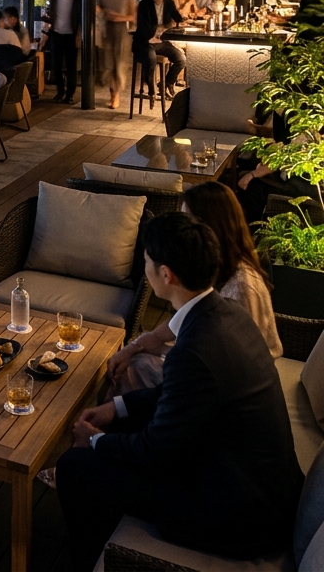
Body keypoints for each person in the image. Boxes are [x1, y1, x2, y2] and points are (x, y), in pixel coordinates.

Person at [56, 212, 303, 571]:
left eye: (146, 263)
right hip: (254, 484)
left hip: (233, 517)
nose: (145, 269)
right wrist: (117, 408)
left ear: (166, 275)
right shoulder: (227, 313)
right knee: (119, 430)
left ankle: (90, 561)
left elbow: (156, 451)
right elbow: (180, 397)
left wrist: (95, 439)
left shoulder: (196, 349)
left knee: (73, 465)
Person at [106, 183, 282, 394]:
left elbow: (232, 359)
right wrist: (139, 345)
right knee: (133, 357)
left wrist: (158, 350)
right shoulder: (211, 269)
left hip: (234, 383)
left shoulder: (241, 286)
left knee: (133, 369)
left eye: (186, 220)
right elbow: (184, 319)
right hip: (209, 360)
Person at [132, 0, 184, 101]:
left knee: (181, 59)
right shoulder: (144, 4)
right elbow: (142, 26)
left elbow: (178, 19)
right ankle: (151, 89)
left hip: (161, 40)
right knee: (151, 58)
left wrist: (181, 22)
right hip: (145, 41)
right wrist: (154, 32)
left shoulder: (169, 3)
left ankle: (166, 83)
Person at [97, 0, 136, 110]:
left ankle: (116, 95)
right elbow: (98, 11)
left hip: (122, 32)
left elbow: (133, 17)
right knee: (108, 63)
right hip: (106, 30)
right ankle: (112, 93)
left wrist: (115, 16)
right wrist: (104, 14)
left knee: (119, 63)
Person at [43, 0, 81, 104]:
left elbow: (81, 18)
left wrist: (79, 35)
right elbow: (52, 15)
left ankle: (70, 94)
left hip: (71, 35)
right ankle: (60, 91)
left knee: (71, 66)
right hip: (56, 34)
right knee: (56, 65)